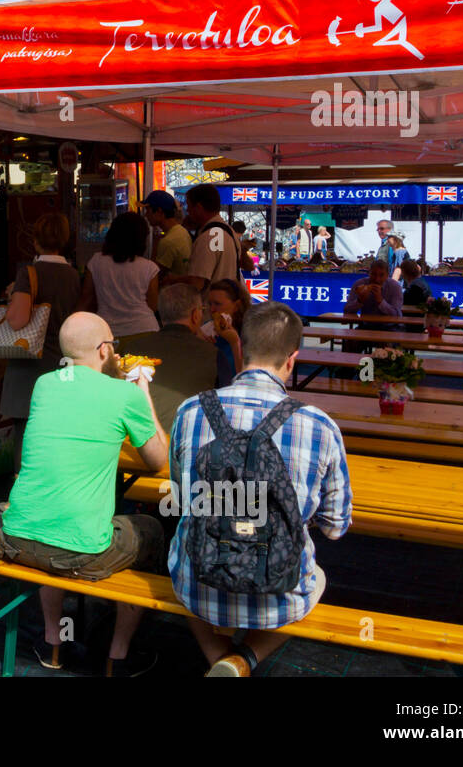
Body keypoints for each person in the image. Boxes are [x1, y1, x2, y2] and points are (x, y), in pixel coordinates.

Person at [167, 301, 352, 676]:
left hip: (198, 582)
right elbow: (335, 527)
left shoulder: (190, 410)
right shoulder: (320, 424)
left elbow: (181, 496)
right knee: (316, 578)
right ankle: (242, 660)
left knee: (182, 553)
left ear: (242, 349)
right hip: (277, 598)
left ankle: (219, 657)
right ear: (292, 359)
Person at [0, 311, 169, 677]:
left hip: (15, 537)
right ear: (105, 349)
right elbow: (158, 460)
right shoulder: (124, 394)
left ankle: (52, 644)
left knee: (56, 519)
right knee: (151, 529)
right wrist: (142, 392)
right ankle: (118, 656)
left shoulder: (44, 384)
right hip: (79, 552)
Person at [0, 213, 82, 471]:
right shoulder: (73, 274)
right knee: (53, 433)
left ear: (36, 241)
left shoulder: (30, 272)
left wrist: (13, 296)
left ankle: (22, 498)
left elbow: (17, 321)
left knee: (25, 433)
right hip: (60, 361)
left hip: (29, 364)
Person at [121, 283, 221, 433]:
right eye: (202, 310)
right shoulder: (213, 353)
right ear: (195, 315)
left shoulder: (132, 349)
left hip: (139, 441)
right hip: (191, 439)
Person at [78, 212, 160, 344]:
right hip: (144, 330)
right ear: (141, 238)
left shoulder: (96, 261)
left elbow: (86, 297)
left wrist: (71, 323)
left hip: (107, 332)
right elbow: (153, 305)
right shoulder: (149, 268)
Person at [182, 184, 242, 296]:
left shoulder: (210, 237)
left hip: (210, 308)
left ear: (199, 208)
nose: (188, 211)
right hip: (226, 305)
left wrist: (174, 281)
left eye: (189, 206)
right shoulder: (229, 231)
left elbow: (197, 283)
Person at [205, 279, 247, 387]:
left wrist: (235, 343)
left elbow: (246, 382)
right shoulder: (206, 330)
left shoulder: (249, 334)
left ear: (236, 306)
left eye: (217, 304)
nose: (212, 309)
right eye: (210, 304)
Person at [142, 190, 191, 279]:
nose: (146, 215)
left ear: (159, 212)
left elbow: (153, 277)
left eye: (148, 210)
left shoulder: (167, 242)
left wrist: (155, 245)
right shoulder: (182, 231)